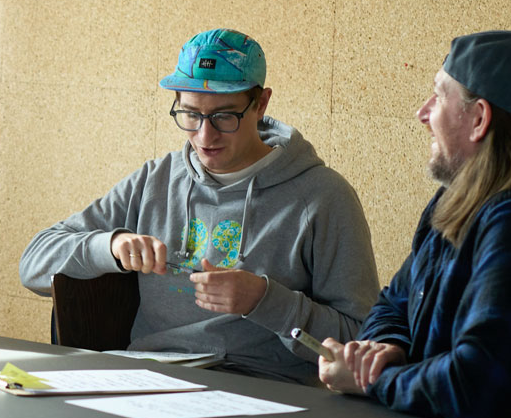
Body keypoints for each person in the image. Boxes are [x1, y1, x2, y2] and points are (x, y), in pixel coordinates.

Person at [19, 28, 379, 383]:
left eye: (224, 116)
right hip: (146, 379)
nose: (204, 137)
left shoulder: (322, 197)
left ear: (261, 104)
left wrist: (265, 301)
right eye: (190, 115)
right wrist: (109, 246)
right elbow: (33, 264)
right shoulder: (155, 181)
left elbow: (360, 339)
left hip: (262, 390)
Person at [318, 30, 511, 418]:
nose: (423, 112)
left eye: (438, 96)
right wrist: (386, 348)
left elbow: (479, 387)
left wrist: (374, 380)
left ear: (479, 119)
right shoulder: (457, 198)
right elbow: (394, 302)